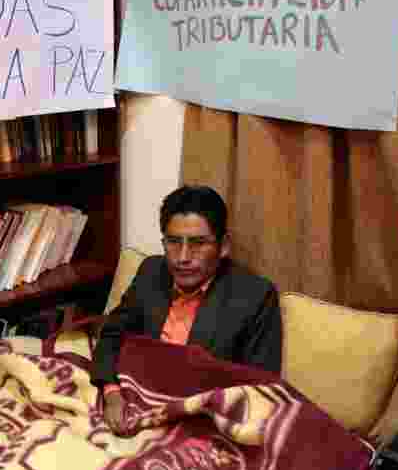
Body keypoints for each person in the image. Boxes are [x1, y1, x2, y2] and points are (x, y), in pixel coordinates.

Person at [91, 185, 283, 435]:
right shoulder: (151, 271)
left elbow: (259, 388)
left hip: (202, 423)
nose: (182, 257)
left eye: (198, 243)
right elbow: (111, 333)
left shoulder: (256, 296)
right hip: (136, 402)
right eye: (173, 241)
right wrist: (112, 393)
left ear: (223, 246)